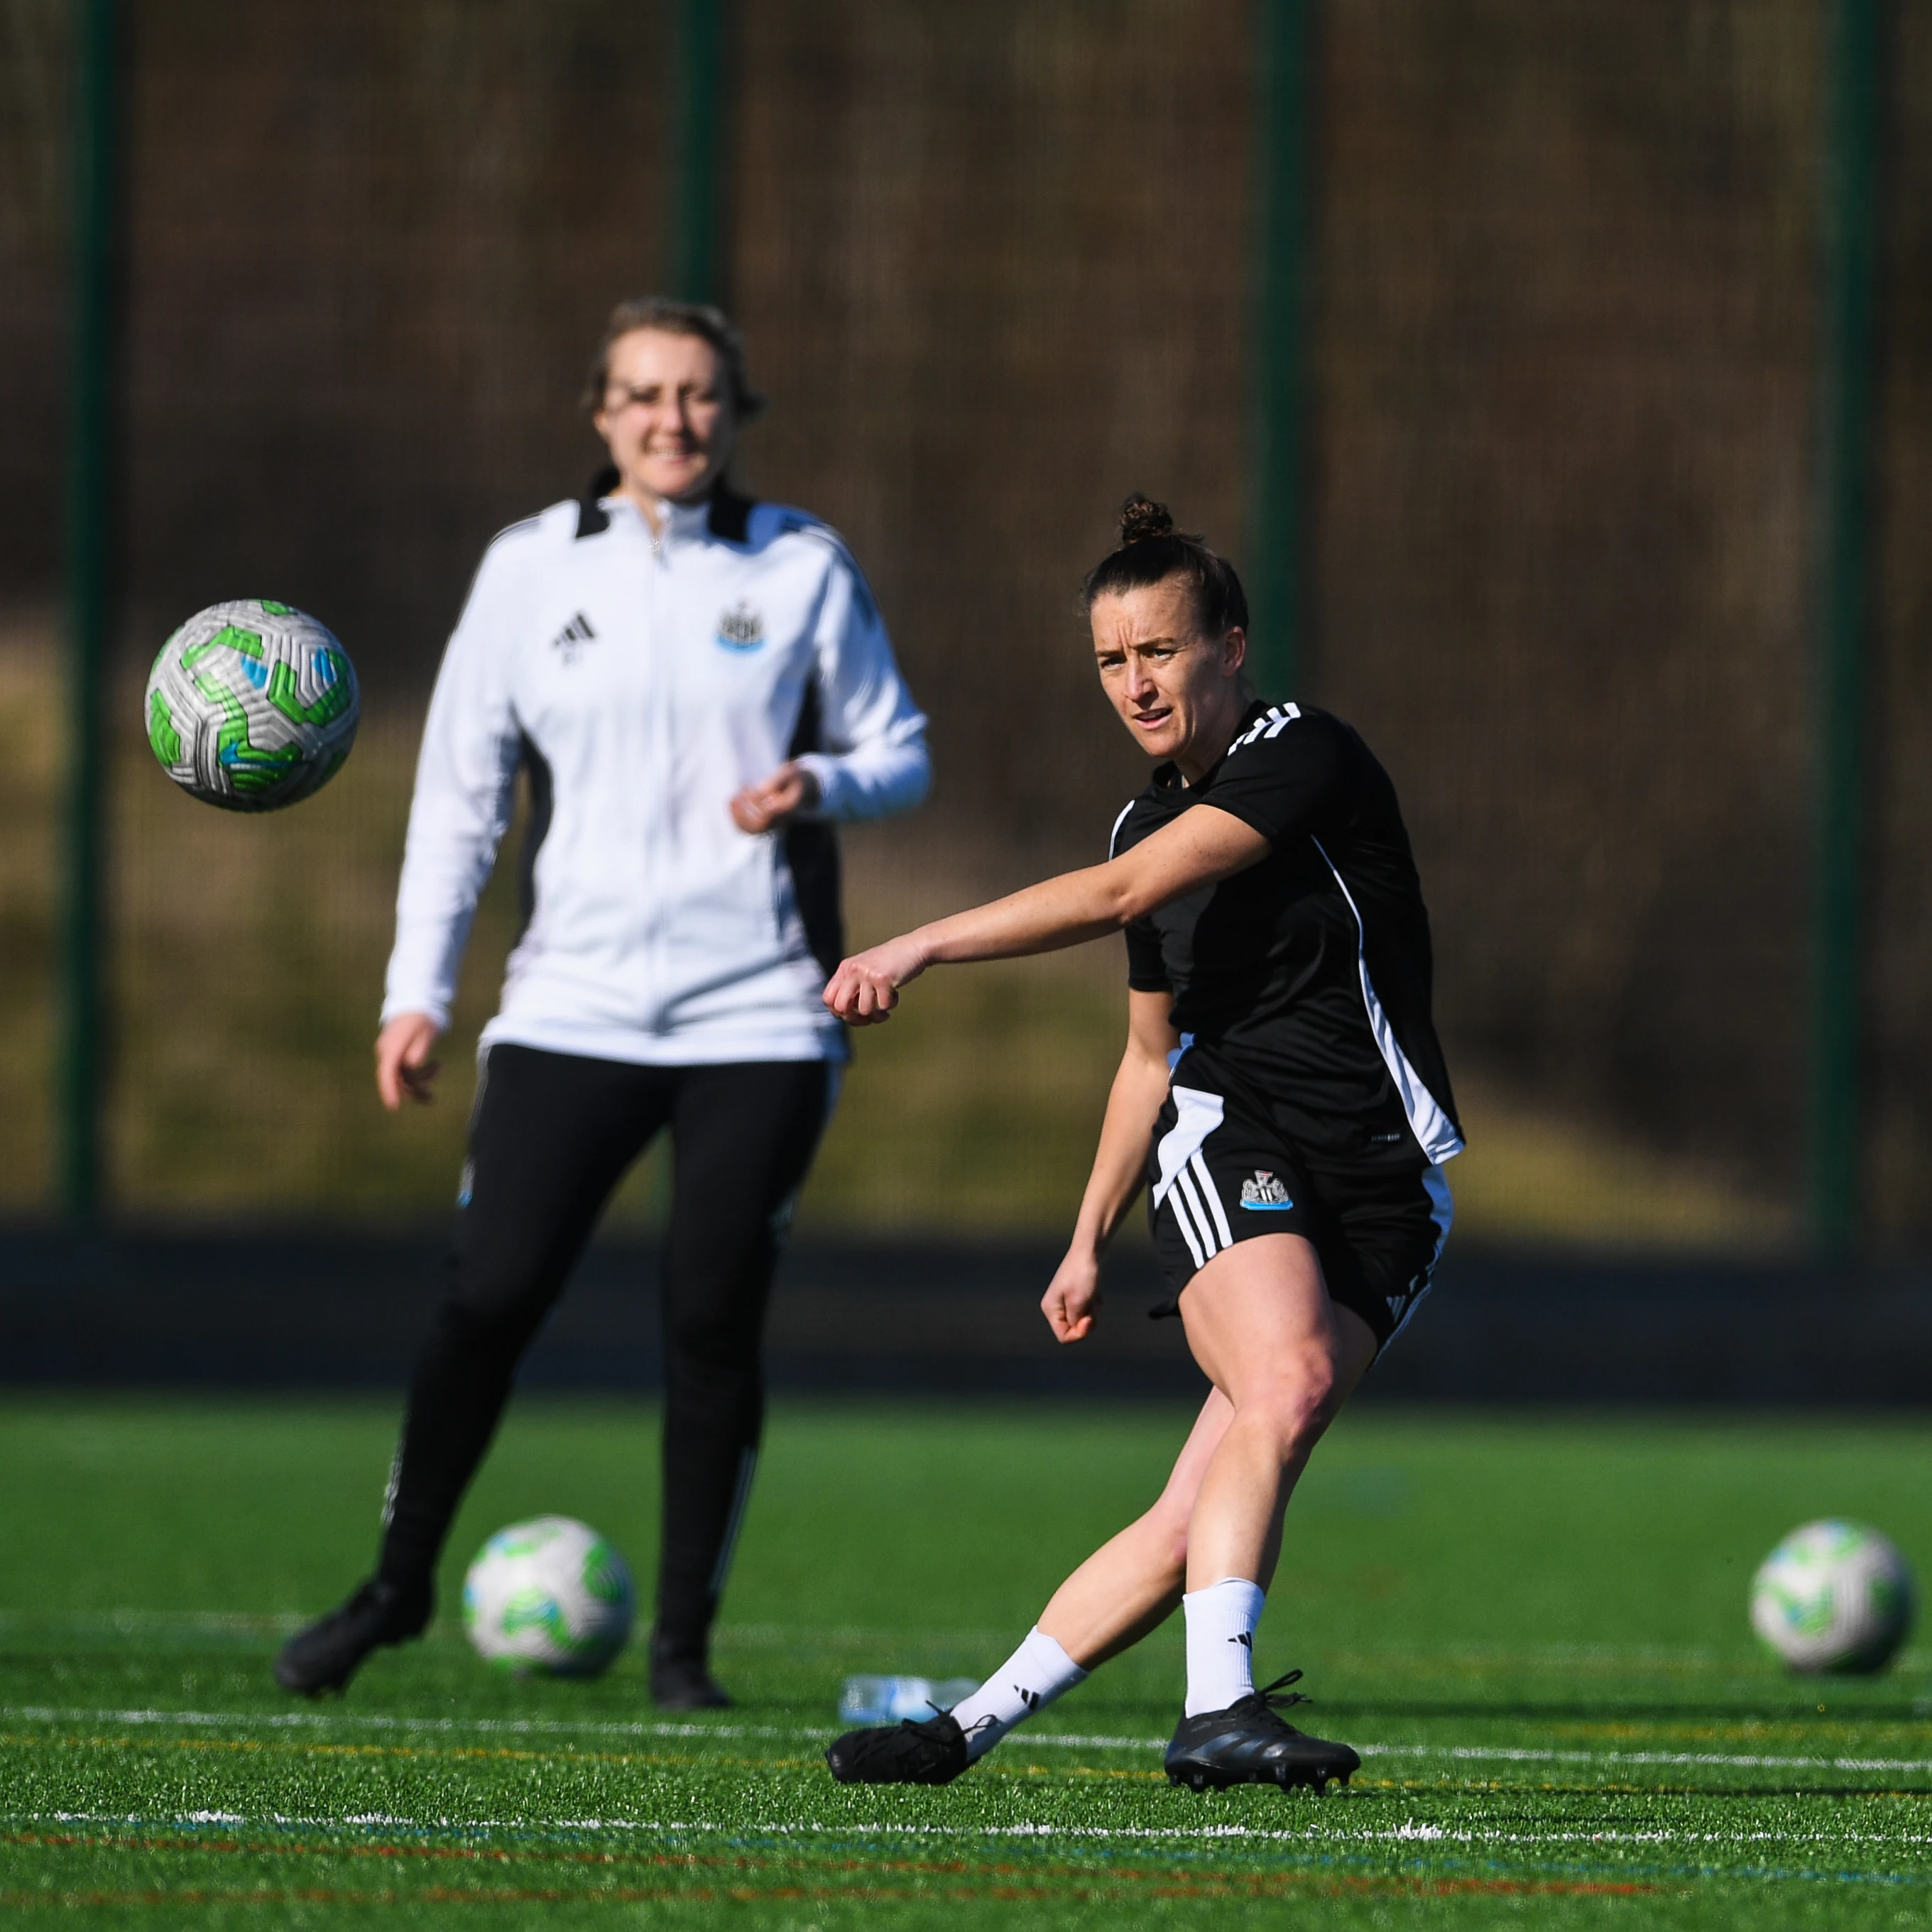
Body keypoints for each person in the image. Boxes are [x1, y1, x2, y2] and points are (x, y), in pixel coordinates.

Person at [275, 297, 929, 1708]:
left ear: (735, 412)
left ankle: (682, 1650)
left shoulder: (801, 564)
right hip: (567, 1003)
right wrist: (415, 994)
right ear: (600, 414)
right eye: (643, 394)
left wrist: (821, 782)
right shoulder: (527, 568)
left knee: (711, 1322)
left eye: (698, 394)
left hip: (760, 1013)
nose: (671, 419)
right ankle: (394, 1588)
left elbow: (903, 753)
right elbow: (459, 799)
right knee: (489, 1294)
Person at [821, 496, 1460, 1792]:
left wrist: (919, 939)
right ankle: (1218, 1708)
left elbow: (1122, 892)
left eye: (1161, 650)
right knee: (1288, 1383)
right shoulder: (1139, 826)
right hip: (1236, 1137)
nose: (1136, 685)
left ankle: (963, 1730)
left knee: (1196, 1510)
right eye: (1112, 661)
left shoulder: (1304, 753)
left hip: (1391, 1182)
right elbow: (1148, 1059)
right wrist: (1086, 1237)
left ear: (1231, 645)